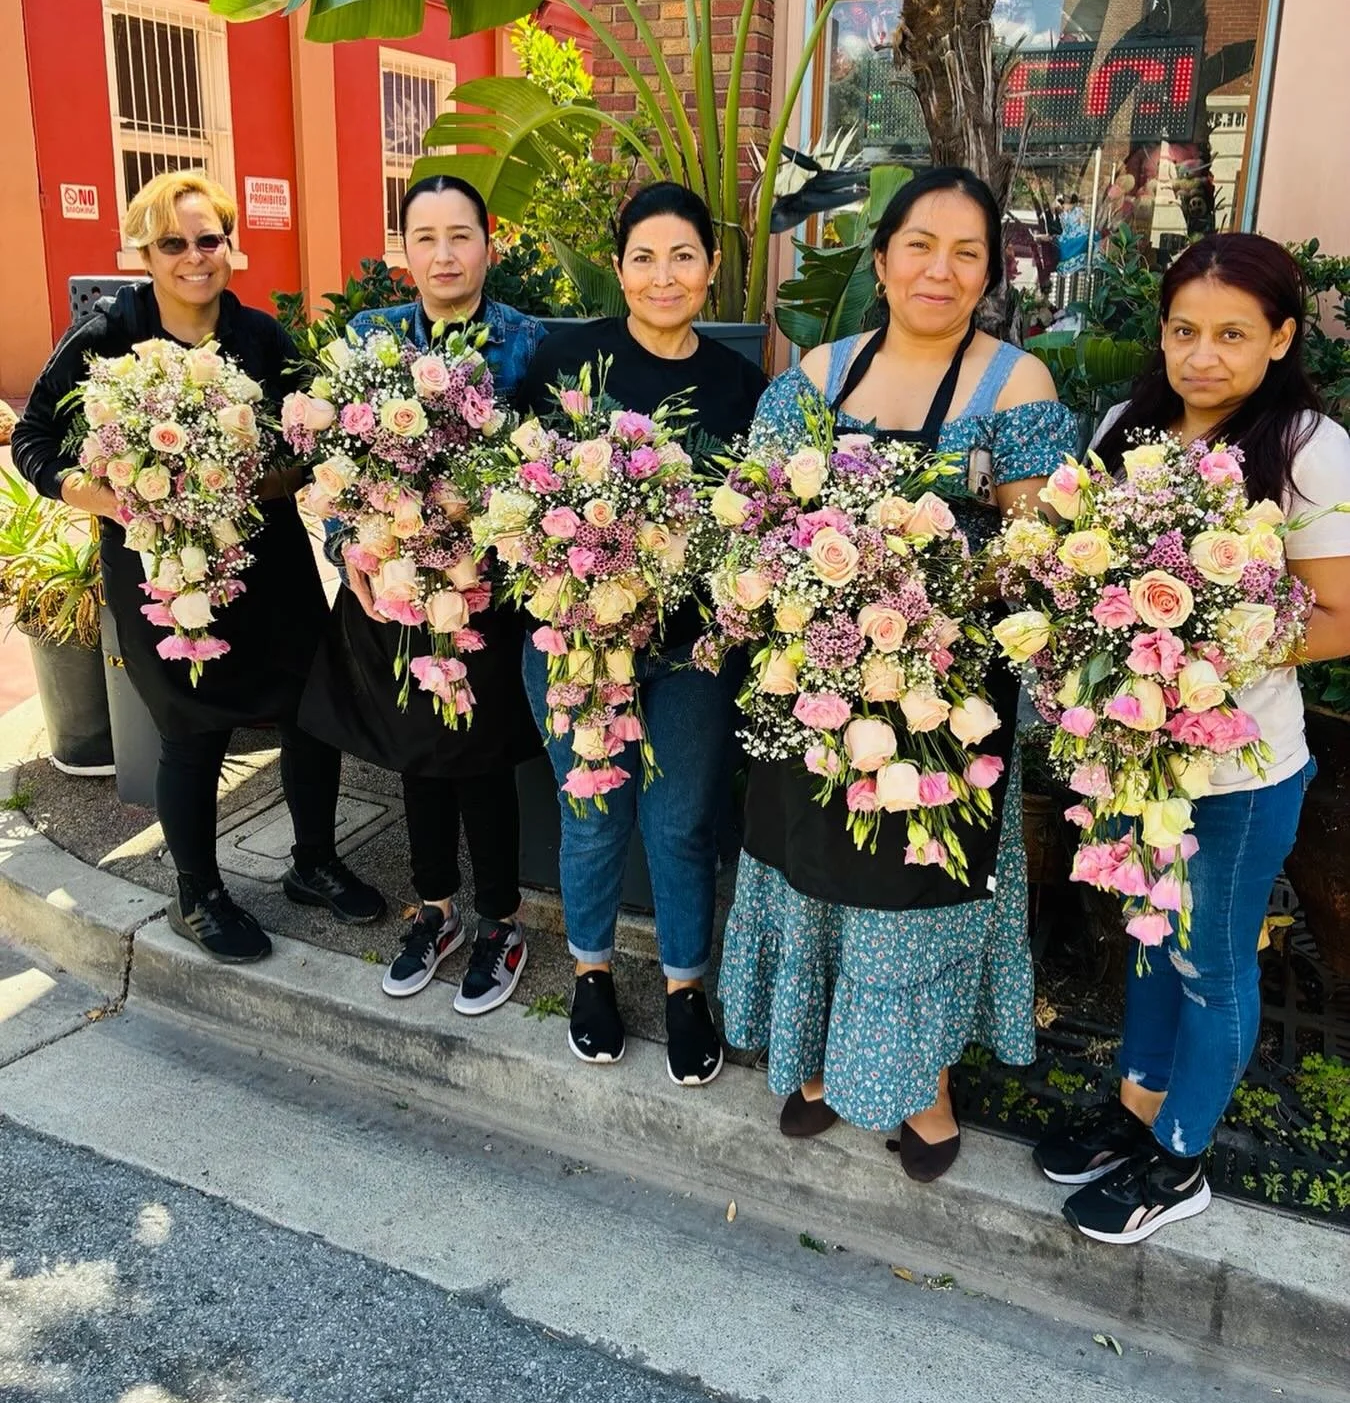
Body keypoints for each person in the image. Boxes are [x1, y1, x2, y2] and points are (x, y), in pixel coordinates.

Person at [717, 166, 1079, 1180]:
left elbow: (1038, 547)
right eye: (920, 245)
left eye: (968, 252)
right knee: (817, 864)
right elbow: (755, 517)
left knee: (915, 877)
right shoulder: (815, 375)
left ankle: (924, 1080)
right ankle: (825, 1057)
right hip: (816, 679)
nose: (942, 268)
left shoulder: (1020, 384)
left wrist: (935, 576)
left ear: (989, 275)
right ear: (881, 262)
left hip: (944, 700)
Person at [1034, 233, 1350, 1243]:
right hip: (1139, 755)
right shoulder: (1131, 425)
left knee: (1211, 960)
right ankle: (1136, 1111)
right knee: (1148, 939)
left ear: (1281, 337)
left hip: (1244, 769)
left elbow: (1342, 614)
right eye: (1184, 329)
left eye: (1231, 333)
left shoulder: (1308, 445)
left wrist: (1213, 646)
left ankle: (1181, 1155)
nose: (1203, 354)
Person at [13, 171, 385, 963]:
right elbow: (33, 438)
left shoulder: (259, 337)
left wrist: (261, 478)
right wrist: (110, 502)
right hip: (160, 574)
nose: (192, 257)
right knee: (192, 730)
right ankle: (199, 893)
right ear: (144, 252)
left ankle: (313, 863)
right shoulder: (110, 334)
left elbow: (309, 442)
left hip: (268, 565)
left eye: (208, 239)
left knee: (308, 711)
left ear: (229, 246)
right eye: (172, 243)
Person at [519, 181, 768, 1085]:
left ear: (710, 268)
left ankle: (683, 985)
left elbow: (758, 518)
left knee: (683, 822)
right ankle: (590, 972)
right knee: (592, 816)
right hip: (578, 643)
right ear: (619, 267)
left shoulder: (744, 384)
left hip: (691, 651)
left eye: (684, 257)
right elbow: (517, 496)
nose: (664, 277)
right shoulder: (564, 360)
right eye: (644, 258)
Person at [300, 175, 545, 1016]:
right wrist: (348, 552)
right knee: (416, 755)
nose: (444, 254)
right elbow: (330, 478)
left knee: (477, 762)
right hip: (390, 593)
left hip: (484, 598)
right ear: (404, 250)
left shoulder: (526, 344)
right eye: (425, 237)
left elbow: (547, 476)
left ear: (490, 243)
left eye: (461, 235)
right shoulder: (370, 339)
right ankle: (435, 908)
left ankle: (501, 920)